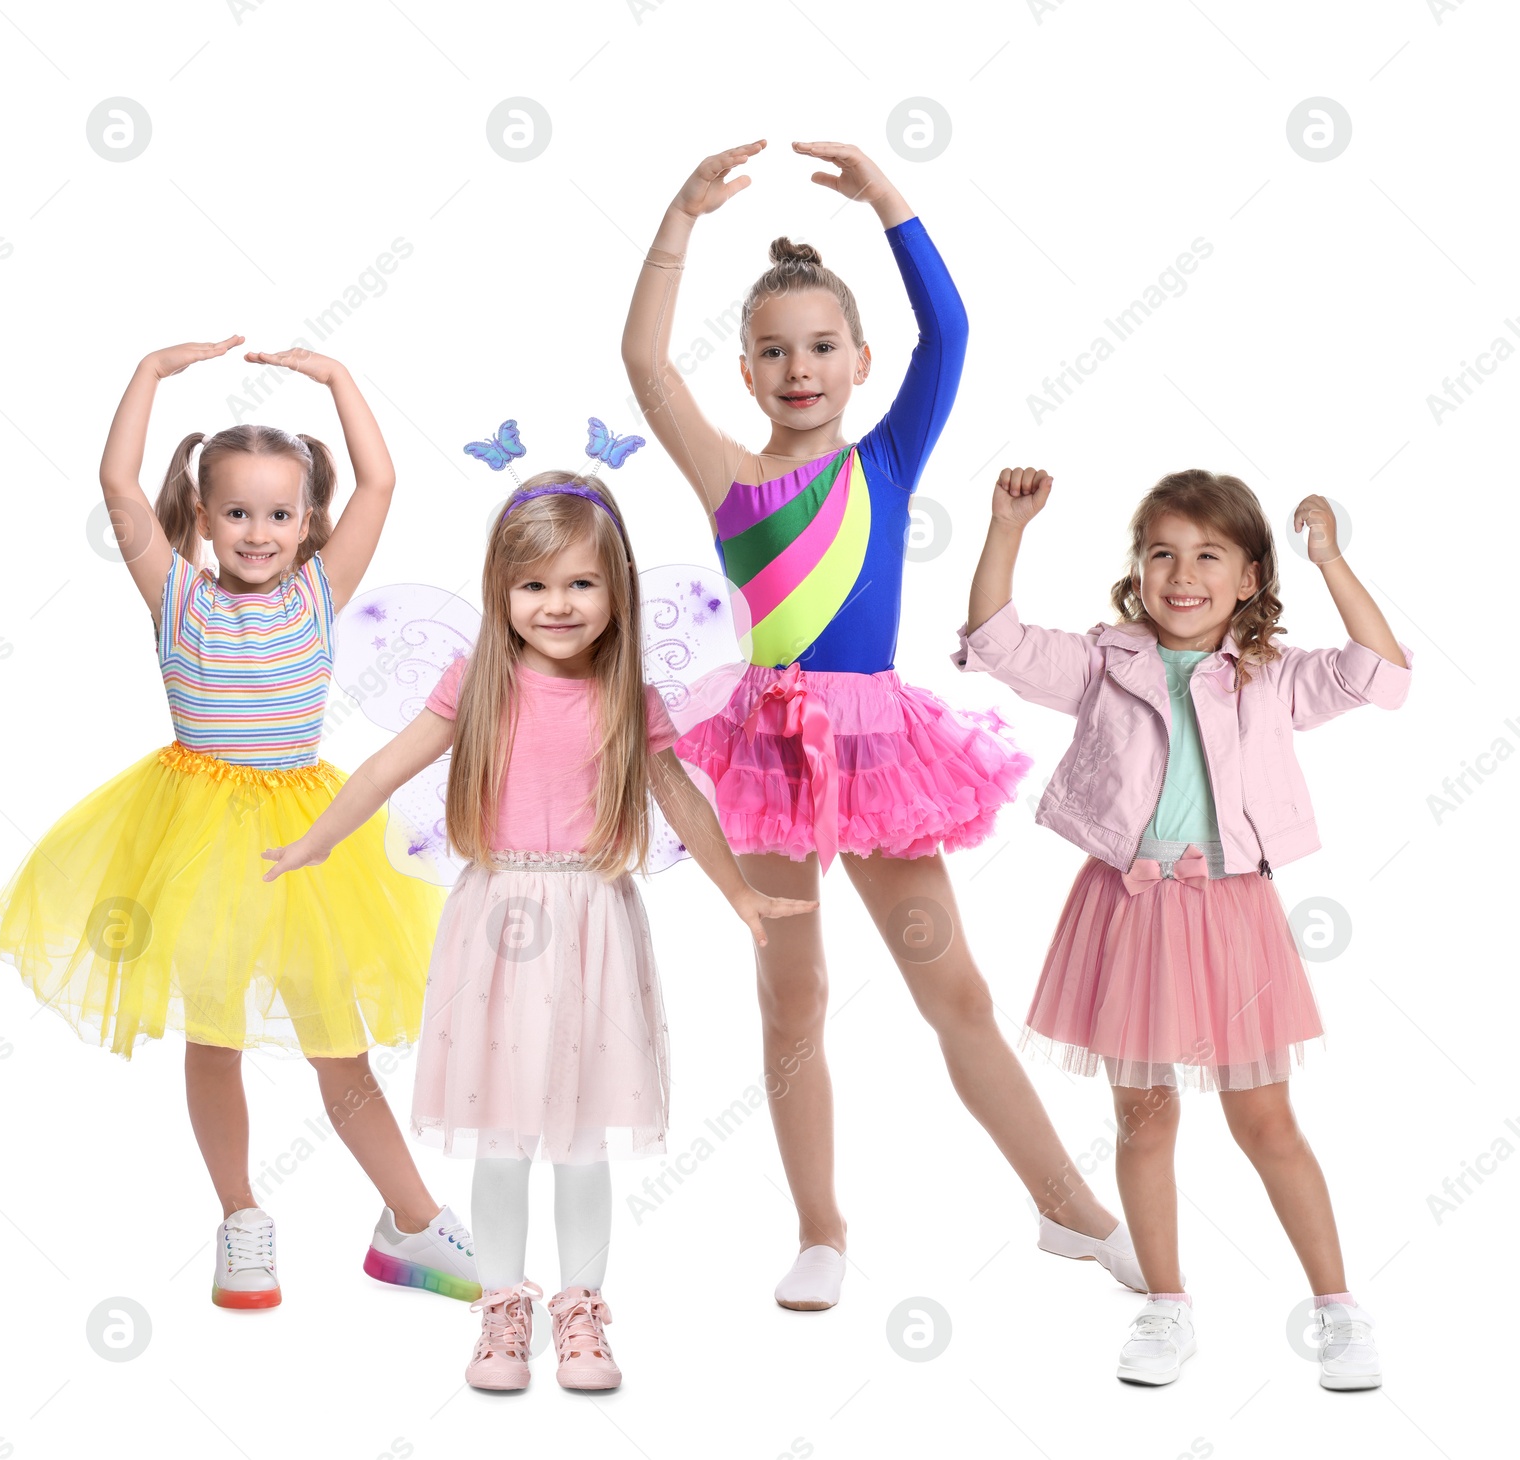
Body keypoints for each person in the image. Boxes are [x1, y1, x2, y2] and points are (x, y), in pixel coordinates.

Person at [622, 140, 1144, 1309]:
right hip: (767, 750)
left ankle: (1071, 1205)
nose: (797, 367)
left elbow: (948, 336)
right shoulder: (727, 476)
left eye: (819, 347)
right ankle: (820, 1228)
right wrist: (678, 219)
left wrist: (890, 203)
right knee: (790, 991)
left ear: (857, 362)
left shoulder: (887, 460)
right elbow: (644, 360)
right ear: (747, 372)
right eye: (771, 351)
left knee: (950, 987)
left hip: (874, 750)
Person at [265, 471, 815, 1390]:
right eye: (534, 585)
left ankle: (583, 1313)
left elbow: (679, 795)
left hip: (596, 917)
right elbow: (387, 764)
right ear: (501, 591)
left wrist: (744, 897)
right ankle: (501, 1310)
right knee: (502, 1130)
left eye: (580, 584)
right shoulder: (480, 679)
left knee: (581, 1135)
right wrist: (315, 841)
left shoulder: (625, 690)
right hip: (499, 922)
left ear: (618, 590)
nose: (556, 605)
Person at [0, 338, 478, 1310]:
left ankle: (412, 1220)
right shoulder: (177, 595)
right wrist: (150, 373)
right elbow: (117, 481)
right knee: (214, 1036)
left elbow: (380, 481)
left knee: (338, 1042)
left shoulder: (317, 592)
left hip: (305, 836)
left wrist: (339, 379)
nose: (259, 531)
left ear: (308, 523)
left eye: (280, 513)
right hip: (198, 839)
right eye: (238, 512)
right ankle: (242, 1215)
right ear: (203, 518)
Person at [954, 465, 1411, 1388]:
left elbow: (1384, 677)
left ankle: (1337, 1307)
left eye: (1209, 555)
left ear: (1249, 578)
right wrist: (1007, 529)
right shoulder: (1104, 661)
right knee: (1143, 1115)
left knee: (1265, 1119)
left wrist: (1330, 562)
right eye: (1162, 552)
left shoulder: (1271, 675)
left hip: (1233, 912)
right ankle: (1167, 1305)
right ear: (1138, 568)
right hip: (1125, 908)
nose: (1182, 573)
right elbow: (995, 643)